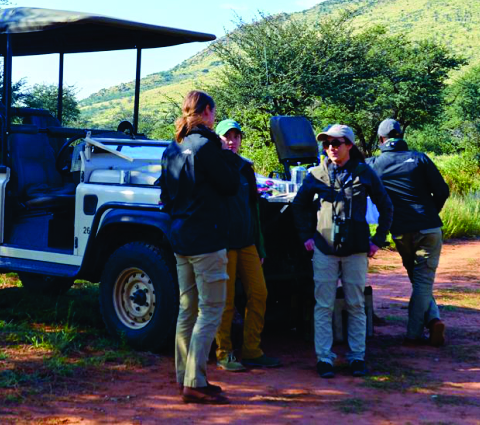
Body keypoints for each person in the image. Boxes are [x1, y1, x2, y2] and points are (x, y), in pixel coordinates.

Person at [292, 123, 393, 378]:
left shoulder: (364, 173)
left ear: (349, 145)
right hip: (324, 250)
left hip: (356, 250)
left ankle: (357, 357)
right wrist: (306, 236)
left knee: (355, 305)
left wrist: (378, 240)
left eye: (336, 143)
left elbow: (387, 206)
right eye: (326, 144)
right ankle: (324, 358)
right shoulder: (315, 174)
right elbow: (299, 205)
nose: (331, 148)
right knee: (323, 305)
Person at [159, 90, 238, 404]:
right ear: (206, 112)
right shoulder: (207, 147)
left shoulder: (172, 148)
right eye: (214, 113)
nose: (214, 118)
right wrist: (226, 154)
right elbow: (230, 186)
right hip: (206, 239)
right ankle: (195, 382)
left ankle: (184, 378)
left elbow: (164, 195)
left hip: (180, 238)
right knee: (211, 310)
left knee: (187, 310)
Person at [369, 118, 451, 346]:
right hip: (428, 229)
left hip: (401, 232)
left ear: (381, 139)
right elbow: (442, 191)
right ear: (401, 136)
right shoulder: (419, 158)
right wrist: (431, 214)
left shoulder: (374, 163)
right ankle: (417, 332)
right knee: (422, 281)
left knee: (419, 280)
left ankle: (428, 324)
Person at [214, 119, 280, 372]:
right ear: (218, 139)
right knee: (225, 301)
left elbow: (254, 210)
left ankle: (252, 350)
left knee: (259, 294)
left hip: (247, 243)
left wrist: (260, 247)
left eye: (236, 136)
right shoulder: (215, 168)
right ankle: (224, 353)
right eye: (226, 136)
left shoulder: (245, 168)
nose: (231, 141)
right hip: (224, 246)